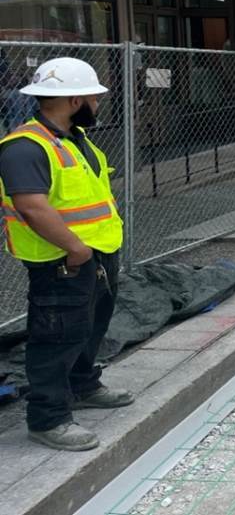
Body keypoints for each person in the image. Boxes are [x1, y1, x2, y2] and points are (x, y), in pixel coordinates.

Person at [0, 57, 132, 452]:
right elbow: (32, 207)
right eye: (94, 96)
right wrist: (76, 249)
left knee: (89, 327)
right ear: (75, 99)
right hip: (61, 261)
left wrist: (92, 250)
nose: (98, 103)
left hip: (97, 255)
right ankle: (48, 418)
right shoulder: (24, 148)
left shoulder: (75, 138)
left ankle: (82, 385)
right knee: (56, 336)